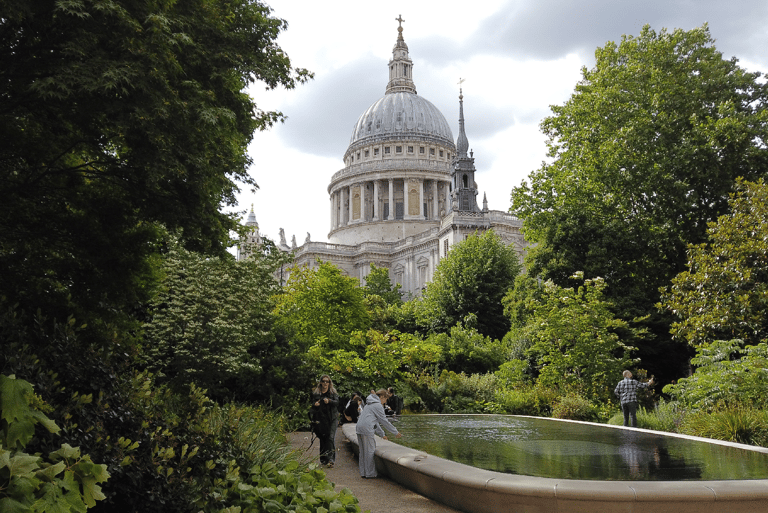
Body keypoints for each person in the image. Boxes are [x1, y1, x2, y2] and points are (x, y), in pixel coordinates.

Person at [355, 389, 402, 478]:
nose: (385, 401)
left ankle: (363, 473)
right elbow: (384, 421)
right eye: (385, 399)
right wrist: (395, 432)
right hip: (367, 429)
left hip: (359, 428)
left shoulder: (369, 404)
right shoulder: (377, 405)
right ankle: (370, 474)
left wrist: (382, 434)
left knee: (362, 452)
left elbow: (375, 422)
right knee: (370, 451)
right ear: (381, 397)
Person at [310, 374, 339, 467]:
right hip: (320, 419)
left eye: (327, 381)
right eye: (324, 381)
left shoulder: (333, 393)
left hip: (332, 419)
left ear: (329, 383)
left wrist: (329, 401)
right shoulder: (316, 393)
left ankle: (331, 459)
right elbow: (312, 406)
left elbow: (337, 403)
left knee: (330, 438)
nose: (325, 383)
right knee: (323, 439)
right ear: (321, 382)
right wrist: (315, 404)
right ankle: (323, 459)